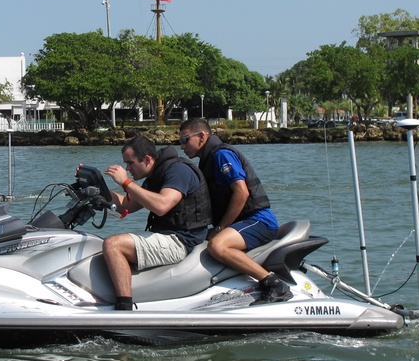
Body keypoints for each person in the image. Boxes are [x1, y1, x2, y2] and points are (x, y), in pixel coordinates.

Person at [178, 118, 293, 304]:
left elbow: (241, 192)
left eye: (185, 140)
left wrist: (221, 228)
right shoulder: (207, 161)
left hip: (259, 221)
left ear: (201, 136)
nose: (182, 147)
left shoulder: (221, 155)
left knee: (217, 245)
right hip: (243, 223)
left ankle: (274, 285)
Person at [100, 135, 212, 310]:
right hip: (166, 235)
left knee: (113, 244)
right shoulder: (155, 176)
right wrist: (96, 188)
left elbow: (162, 205)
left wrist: (126, 182)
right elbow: (125, 205)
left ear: (146, 159)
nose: (127, 169)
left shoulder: (178, 171)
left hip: (181, 240)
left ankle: (124, 308)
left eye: (130, 163)